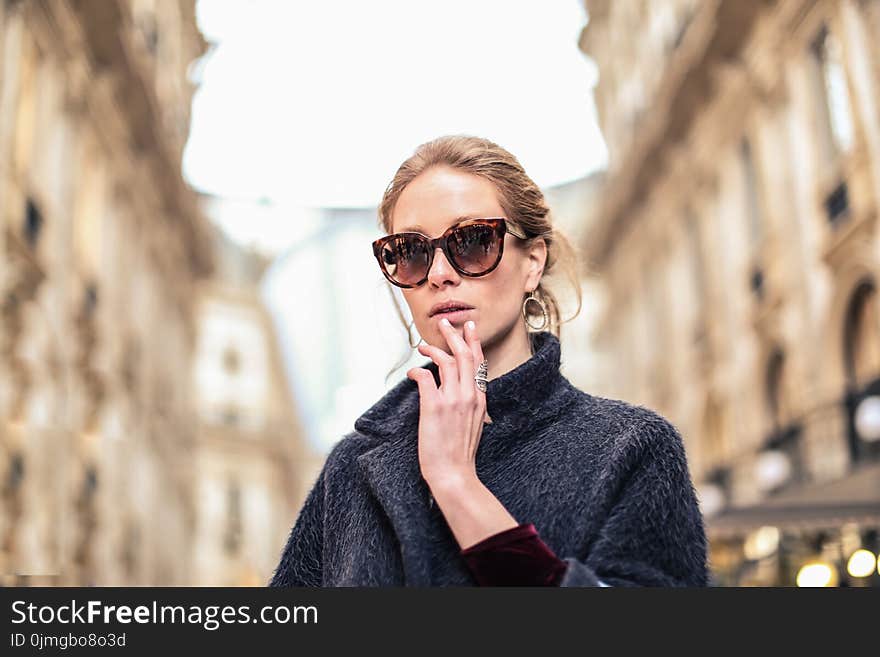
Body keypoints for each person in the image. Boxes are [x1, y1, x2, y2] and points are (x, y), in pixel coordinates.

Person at [269, 135, 709, 587]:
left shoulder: (631, 449)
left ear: (532, 262)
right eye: (410, 253)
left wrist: (457, 484)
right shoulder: (352, 467)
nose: (439, 274)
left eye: (473, 241)